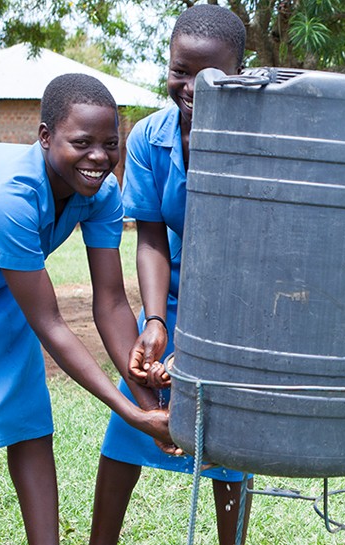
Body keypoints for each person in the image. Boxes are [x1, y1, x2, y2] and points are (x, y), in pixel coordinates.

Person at [0, 73, 173, 545]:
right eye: (81, 142)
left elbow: (109, 302)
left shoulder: (101, 193)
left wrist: (153, 410)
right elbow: (49, 322)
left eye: (110, 143)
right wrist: (130, 412)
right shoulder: (10, 196)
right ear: (45, 137)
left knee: (29, 417)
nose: (99, 157)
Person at [90, 5, 253, 545]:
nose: (190, 86)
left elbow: (257, 252)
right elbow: (153, 235)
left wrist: (206, 347)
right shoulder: (148, 137)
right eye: (180, 70)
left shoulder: (261, 138)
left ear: (240, 69)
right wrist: (155, 319)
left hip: (239, 304)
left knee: (225, 442)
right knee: (130, 428)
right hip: (175, 293)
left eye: (209, 75)